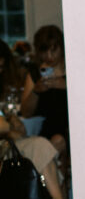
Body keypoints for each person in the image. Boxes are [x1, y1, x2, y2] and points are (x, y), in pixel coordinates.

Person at [20, 25, 70, 160]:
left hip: (72, 128)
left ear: (62, 48)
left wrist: (67, 86)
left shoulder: (73, 70)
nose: (49, 56)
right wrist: (36, 91)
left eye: (54, 50)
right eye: (44, 51)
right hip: (47, 129)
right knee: (45, 143)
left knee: (57, 141)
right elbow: (26, 113)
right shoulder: (35, 74)